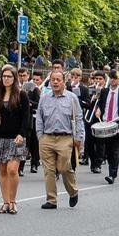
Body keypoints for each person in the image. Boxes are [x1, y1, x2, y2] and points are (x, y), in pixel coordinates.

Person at [36, 69, 83, 209]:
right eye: (53, 80)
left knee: (64, 167)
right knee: (48, 170)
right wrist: (40, 136)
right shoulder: (44, 98)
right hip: (47, 138)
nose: (55, 82)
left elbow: (79, 118)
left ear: (64, 82)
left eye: (58, 80)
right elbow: (39, 118)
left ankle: (73, 191)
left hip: (65, 138)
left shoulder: (71, 98)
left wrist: (79, 137)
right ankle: (51, 200)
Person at [0, 64, 30, 214]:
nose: (6, 79)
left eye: (9, 76)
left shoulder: (21, 95)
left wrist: (22, 134)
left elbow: (26, 117)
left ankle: (13, 201)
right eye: (4, 76)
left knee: (13, 169)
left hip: (16, 138)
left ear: (14, 78)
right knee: (3, 170)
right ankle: (5, 202)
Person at [94, 72, 119, 184]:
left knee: (115, 151)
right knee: (106, 150)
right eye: (112, 78)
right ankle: (105, 166)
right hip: (105, 123)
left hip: (117, 124)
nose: (113, 80)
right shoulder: (104, 91)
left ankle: (112, 175)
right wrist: (98, 109)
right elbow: (100, 103)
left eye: (116, 79)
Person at [85, 72, 108, 174]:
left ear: (104, 80)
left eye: (100, 79)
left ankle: (98, 164)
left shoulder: (107, 90)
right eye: (96, 79)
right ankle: (93, 163)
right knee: (89, 141)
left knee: (100, 143)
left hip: (101, 118)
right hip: (90, 118)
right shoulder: (91, 89)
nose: (98, 81)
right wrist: (93, 99)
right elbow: (87, 104)